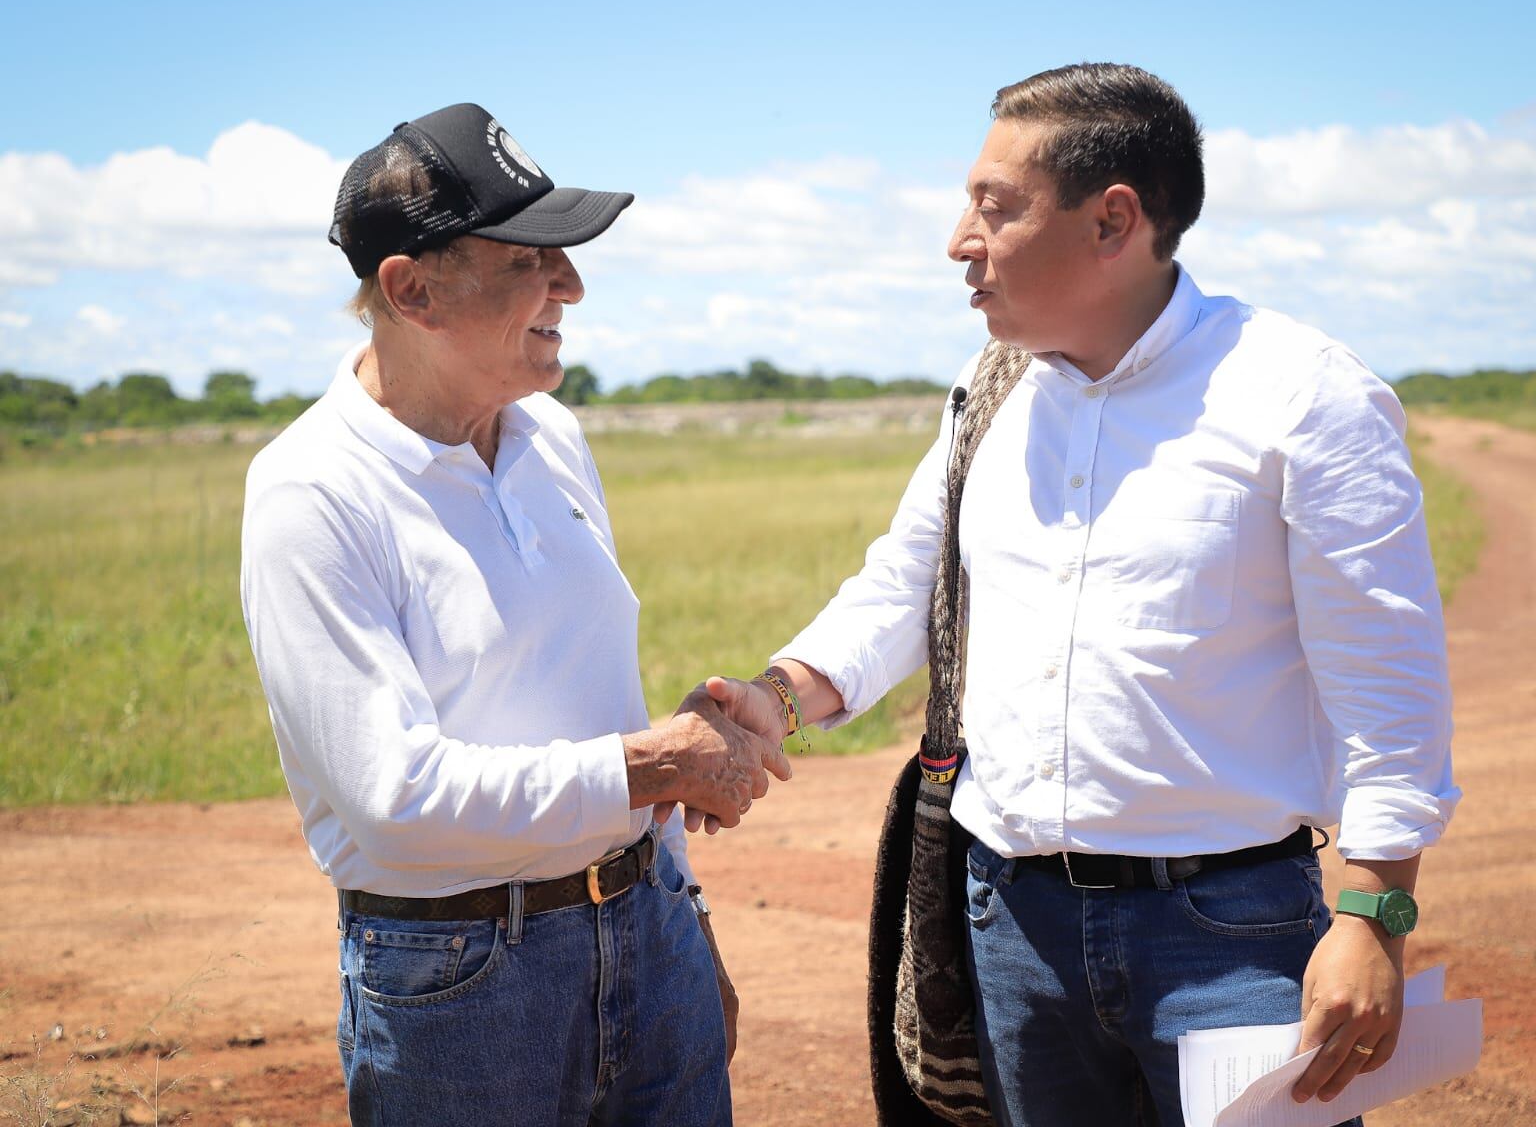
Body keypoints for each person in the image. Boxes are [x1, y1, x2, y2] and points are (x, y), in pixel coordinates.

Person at [698, 64, 1459, 1126]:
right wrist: (774, 698)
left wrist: (1374, 915)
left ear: (1113, 221)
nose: (958, 239)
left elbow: (1389, 682)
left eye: (993, 208)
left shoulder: (1304, 395)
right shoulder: (993, 393)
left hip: (1228, 935)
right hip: (1012, 927)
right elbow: (903, 588)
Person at [239, 103, 788, 1127]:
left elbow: (602, 702)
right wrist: (649, 766)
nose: (570, 286)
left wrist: (681, 914)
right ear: (413, 290)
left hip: (644, 929)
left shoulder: (550, 436)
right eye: (528, 260)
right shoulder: (311, 493)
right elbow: (392, 797)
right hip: (462, 984)